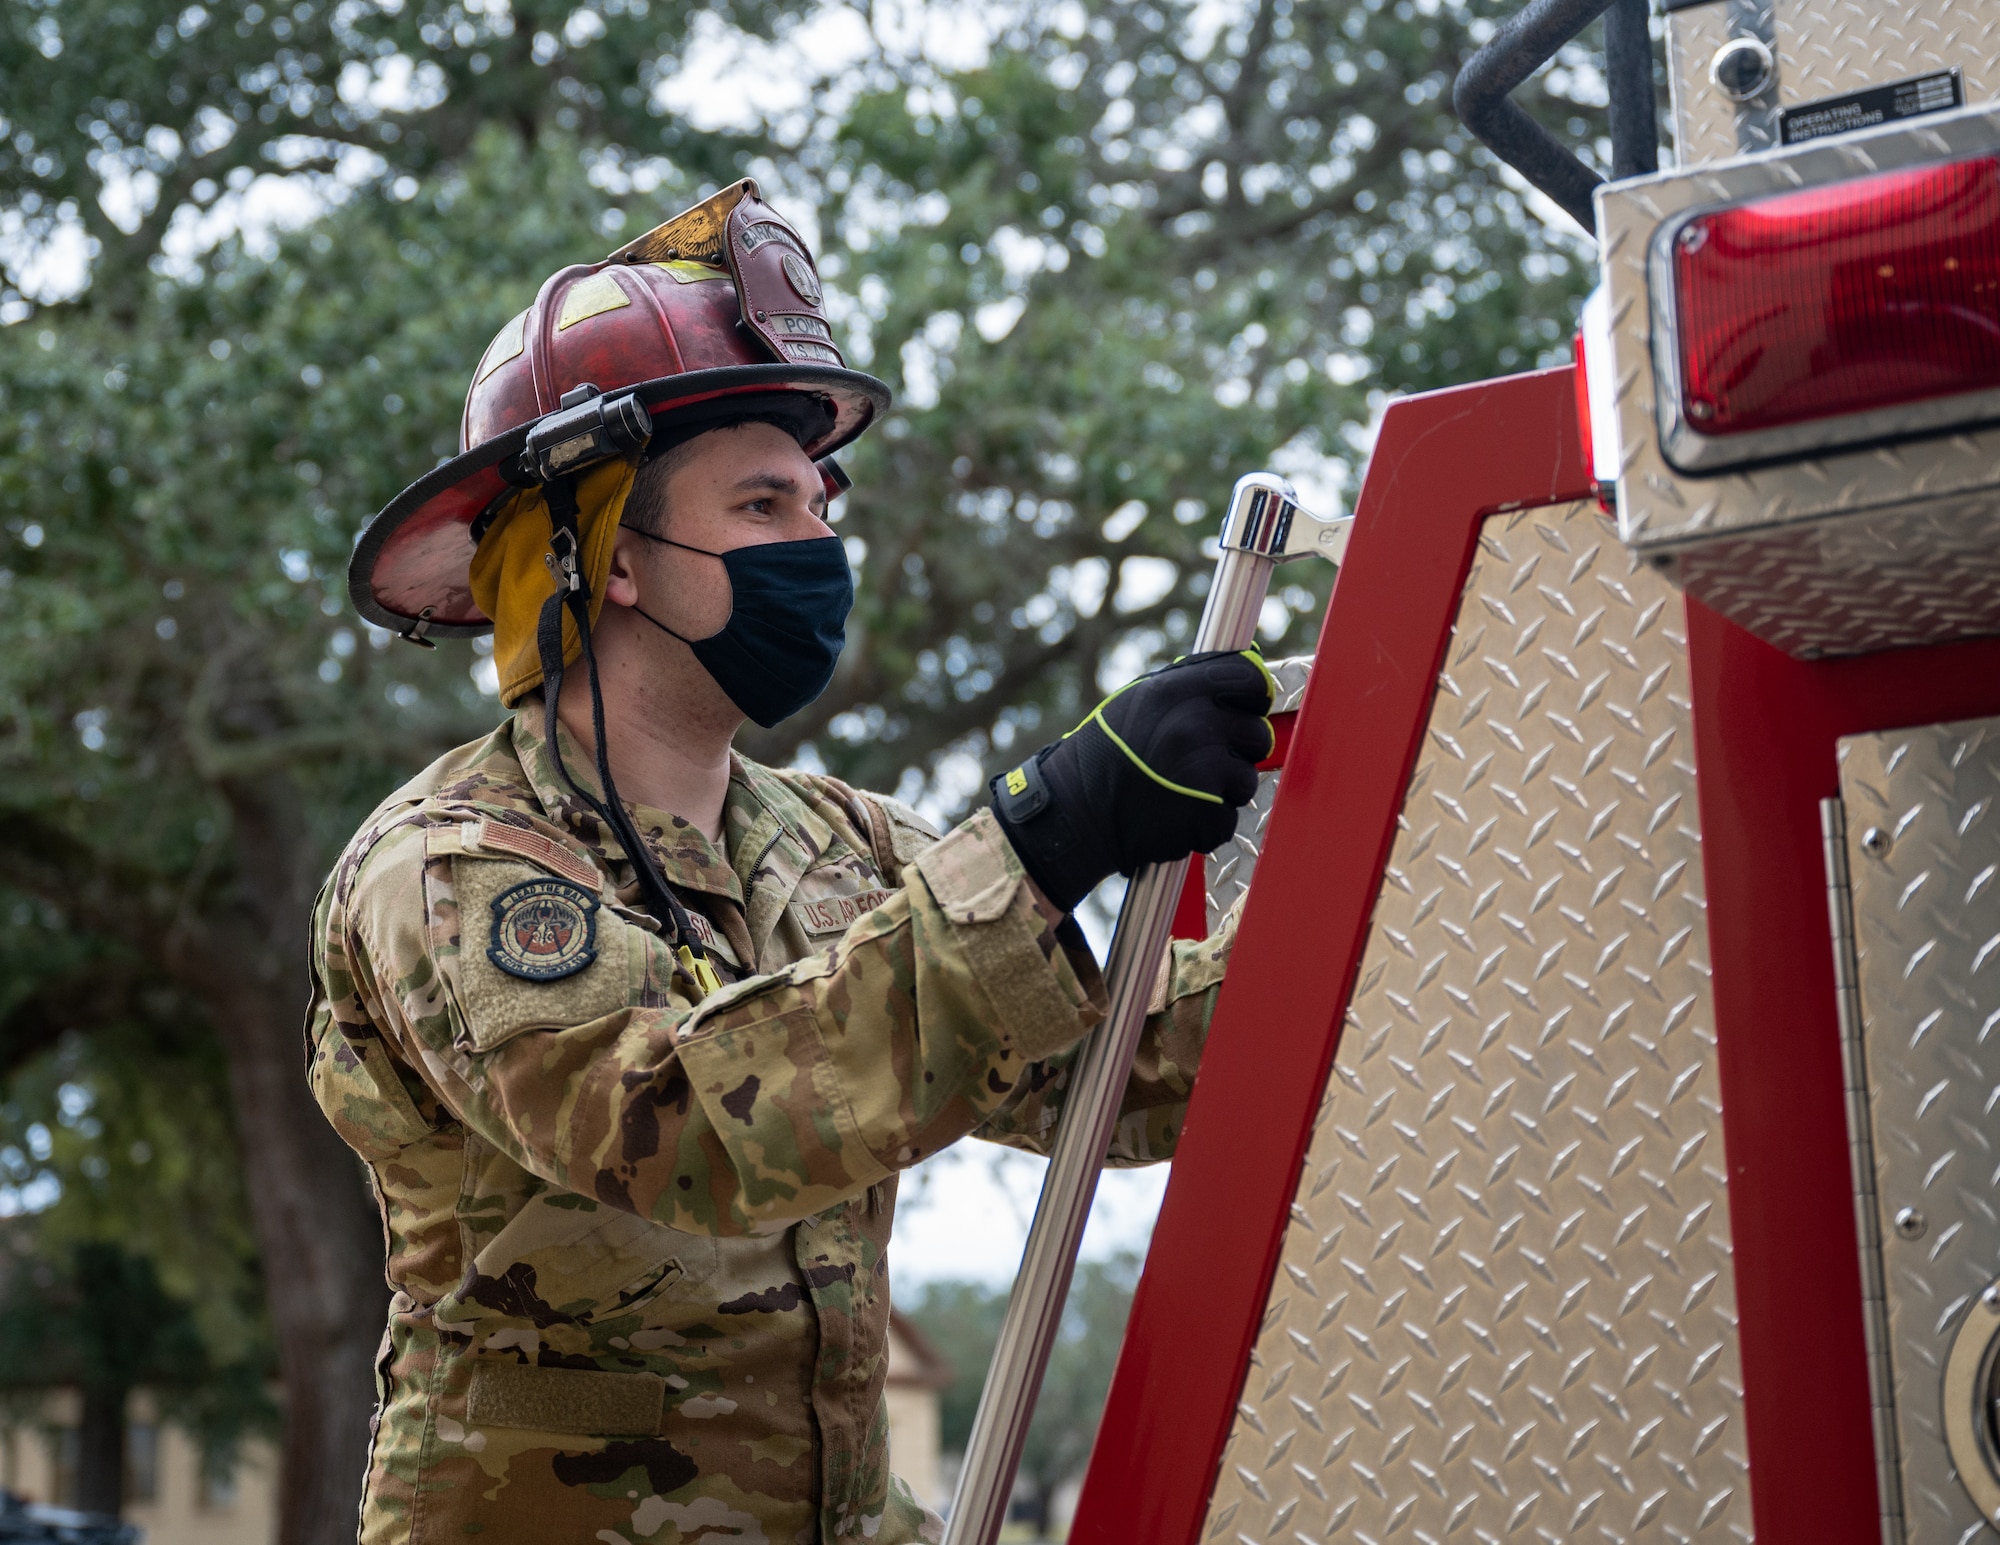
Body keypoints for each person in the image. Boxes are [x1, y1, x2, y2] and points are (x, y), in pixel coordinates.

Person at [312, 179, 1275, 1544]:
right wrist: (1050, 833)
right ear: (614, 558)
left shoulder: (848, 843)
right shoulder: (447, 868)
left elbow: (1121, 1077)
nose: (821, 544)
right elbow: (687, 1128)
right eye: (765, 503)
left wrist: (1349, 824)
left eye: (823, 501)